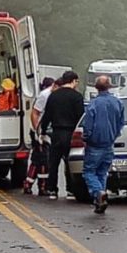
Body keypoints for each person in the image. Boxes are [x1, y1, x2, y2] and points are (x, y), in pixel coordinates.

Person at [82, 75, 125, 214]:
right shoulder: (117, 103)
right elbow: (121, 123)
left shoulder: (93, 104)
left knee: (89, 171)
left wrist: (86, 137)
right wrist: (114, 135)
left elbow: (88, 125)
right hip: (109, 144)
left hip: (95, 144)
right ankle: (100, 200)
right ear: (110, 86)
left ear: (96, 87)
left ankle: (98, 193)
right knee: (102, 172)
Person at [38, 71, 85, 199]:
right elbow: (80, 116)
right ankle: (70, 190)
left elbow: (47, 116)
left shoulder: (53, 96)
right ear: (73, 81)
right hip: (71, 133)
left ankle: (52, 189)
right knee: (69, 162)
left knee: (53, 162)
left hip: (56, 132)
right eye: (77, 82)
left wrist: (43, 131)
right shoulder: (77, 97)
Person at [27, 77, 57, 193]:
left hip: (45, 131)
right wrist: (37, 132)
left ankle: (29, 184)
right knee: (43, 160)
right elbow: (35, 113)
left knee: (38, 159)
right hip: (40, 131)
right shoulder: (45, 95)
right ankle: (42, 186)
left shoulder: (51, 95)